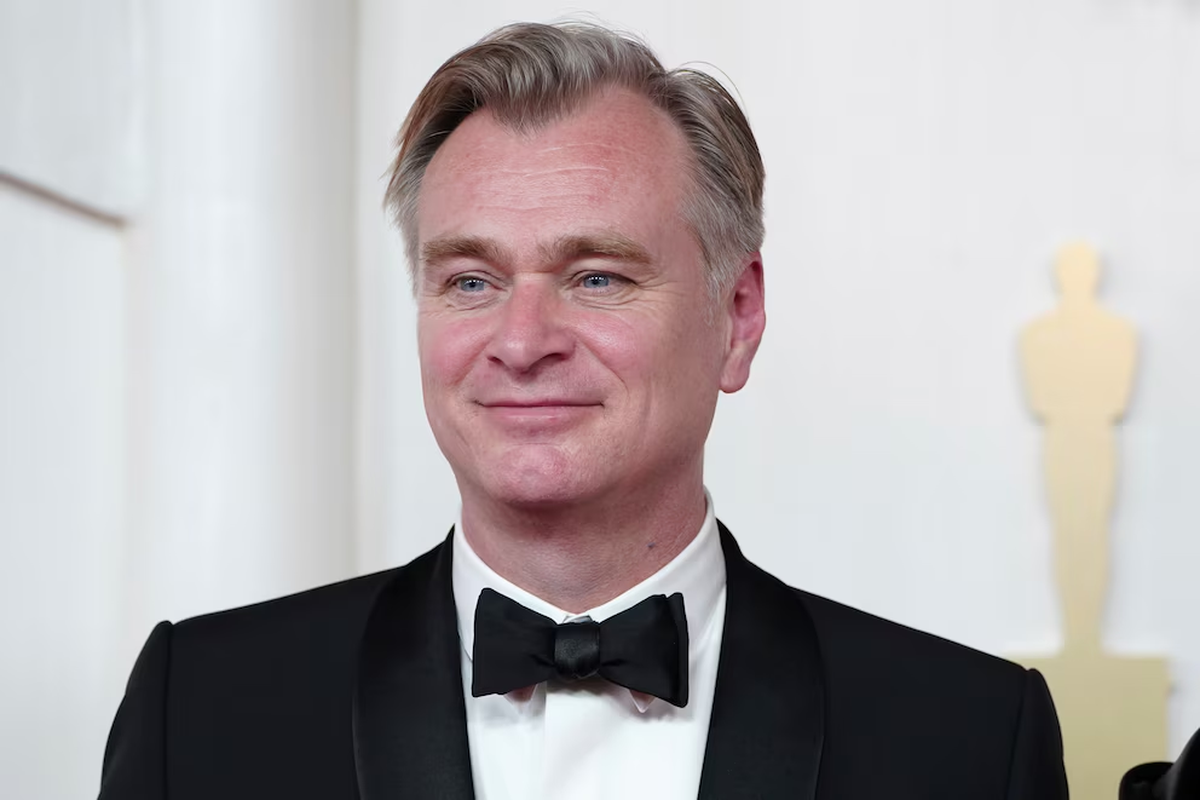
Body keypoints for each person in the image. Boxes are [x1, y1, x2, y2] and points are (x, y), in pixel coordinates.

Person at [98, 21, 1068, 800]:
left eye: (597, 276)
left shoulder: (972, 736)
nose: (522, 342)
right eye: (471, 281)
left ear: (737, 318)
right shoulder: (204, 704)